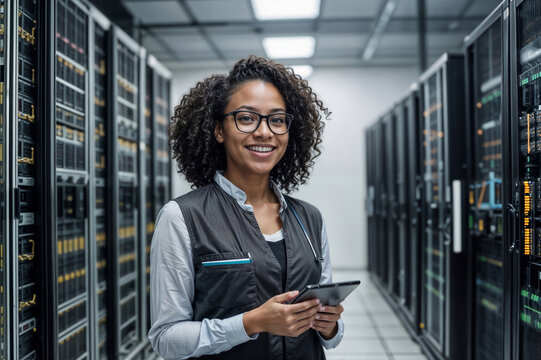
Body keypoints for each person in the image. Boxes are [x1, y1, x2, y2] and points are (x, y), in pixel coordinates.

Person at [149, 56, 344, 360]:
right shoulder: (182, 217)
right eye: (246, 118)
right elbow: (166, 338)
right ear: (218, 130)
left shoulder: (310, 218)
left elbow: (331, 333)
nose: (264, 132)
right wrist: (251, 323)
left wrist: (329, 326)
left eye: (277, 119)